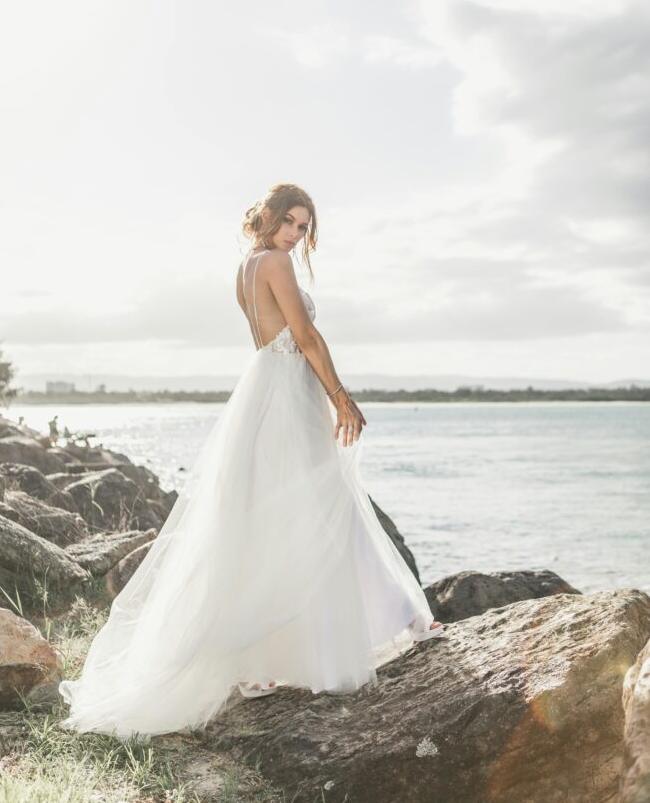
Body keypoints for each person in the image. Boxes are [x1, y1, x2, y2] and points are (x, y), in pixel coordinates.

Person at [58, 183, 443, 741]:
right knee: (324, 505)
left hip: (264, 391)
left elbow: (277, 338)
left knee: (268, 519)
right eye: (289, 220)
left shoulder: (246, 266)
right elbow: (305, 336)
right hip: (288, 393)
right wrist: (341, 396)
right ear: (268, 217)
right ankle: (406, 618)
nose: (295, 233)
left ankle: (260, 665)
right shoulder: (277, 263)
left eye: (303, 226)